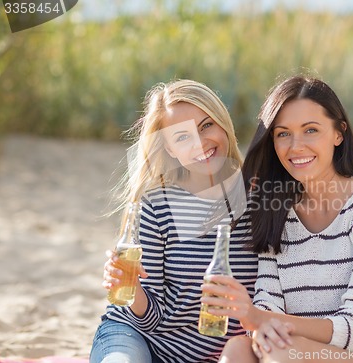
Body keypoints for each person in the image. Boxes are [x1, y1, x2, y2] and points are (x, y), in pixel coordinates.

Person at [200, 75, 353, 363]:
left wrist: (259, 319)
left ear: (339, 133)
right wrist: (261, 324)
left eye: (311, 130)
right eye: (283, 133)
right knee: (237, 349)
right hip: (294, 351)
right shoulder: (275, 207)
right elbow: (269, 301)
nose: (296, 146)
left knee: (280, 350)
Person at [89, 79, 258, 363]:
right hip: (141, 339)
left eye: (207, 126)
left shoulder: (261, 201)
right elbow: (151, 320)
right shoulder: (156, 205)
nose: (201, 143)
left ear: (223, 124)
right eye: (182, 137)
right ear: (169, 149)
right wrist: (132, 288)